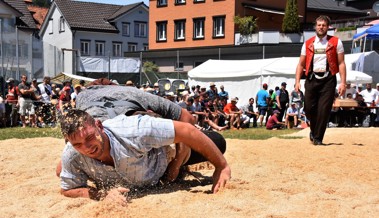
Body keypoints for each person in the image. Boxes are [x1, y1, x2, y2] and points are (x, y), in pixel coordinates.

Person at [59, 109, 231, 200]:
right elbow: (68, 189)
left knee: (218, 141)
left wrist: (221, 166)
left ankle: (181, 151)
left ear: (99, 125)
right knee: (61, 169)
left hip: (164, 160)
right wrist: (101, 195)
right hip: (138, 176)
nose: (87, 147)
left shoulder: (132, 130)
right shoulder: (71, 154)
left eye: (89, 137)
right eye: (77, 144)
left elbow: (187, 129)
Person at [295, 15, 347, 145]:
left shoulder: (336, 42)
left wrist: (343, 83)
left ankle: (318, 138)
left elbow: (341, 63)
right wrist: (297, 81)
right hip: (311, 79)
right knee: (308, 108)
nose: (321, 27)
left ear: (328, 27)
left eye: (324, 25)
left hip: (328, 80)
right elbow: (301, 64)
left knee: (324, 110)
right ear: (315, 26)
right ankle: (313, 130)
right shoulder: (308, 43)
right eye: (319, 25)